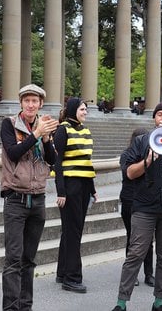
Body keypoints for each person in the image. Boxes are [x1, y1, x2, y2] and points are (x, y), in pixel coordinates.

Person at [111, 101, 162, 311]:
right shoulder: (140, 142)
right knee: (136, 253)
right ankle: (121, 302)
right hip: (144, 207)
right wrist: (147, 160)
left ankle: (159, 302)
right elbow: (129, 173)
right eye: (160, 115)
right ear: (154, 119)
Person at [0, 84, 59, 311]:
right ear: (21, 103)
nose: (31, 105)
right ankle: (11, 308)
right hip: (16, 199)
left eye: (35, 101)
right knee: (13, 260)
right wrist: (36, 134)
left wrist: (46, 139)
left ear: (41, 104)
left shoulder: (43, 127)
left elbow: (53, 160)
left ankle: (26, 306)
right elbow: (13, 153)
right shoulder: (9, 124)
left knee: (29, 260)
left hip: (38, 199)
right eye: (27, 101)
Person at [54, 97, 97, 294]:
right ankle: (72, 278)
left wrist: (93, 188)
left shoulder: (85, 130)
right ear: (73, 110)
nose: (85, 112)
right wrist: (60, 191)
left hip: (84, 185)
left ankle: (63, 272)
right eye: (82, 109)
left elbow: (87, 162)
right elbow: (57, 162)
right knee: (72, 231)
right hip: (70, 185)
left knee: (73, 230)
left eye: (86, 110)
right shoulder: (62, 130)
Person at [119, 128, 155, 287]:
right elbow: (128, 174)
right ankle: (132, 274)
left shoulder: (151, 155)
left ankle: (149, 273)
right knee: (132, 238)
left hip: (145, 200)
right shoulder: (127, 155)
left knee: (147, 240)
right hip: (130, 199)